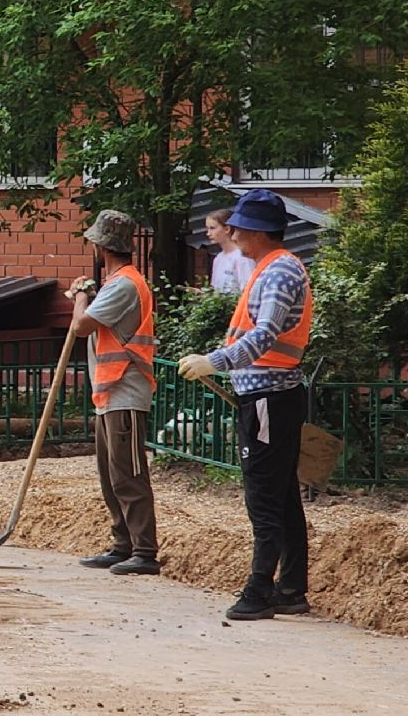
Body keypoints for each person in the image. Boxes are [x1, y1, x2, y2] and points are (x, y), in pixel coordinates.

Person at [179, 189, 313, 621]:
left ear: (257, 230)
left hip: (269, 398)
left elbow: (265, 335)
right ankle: (290, 589)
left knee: (263, 496)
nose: (230, 230)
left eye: (237, 224)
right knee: (281, 493)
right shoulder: (269, 268)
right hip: (268, 395)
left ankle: (260, 591)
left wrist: (214, 363)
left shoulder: (277, 272)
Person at [67, 210, 160, 576]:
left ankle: (144, 551)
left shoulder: (124, 285)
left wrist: (78, 296)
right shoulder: (115, 284)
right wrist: (89, 292)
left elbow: (81, 326)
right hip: (109, 393)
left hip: (126, 392)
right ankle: (123, 544)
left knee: (129, 475)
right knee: (111, 475)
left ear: (102, 246)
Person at [206, 208, 250, 295]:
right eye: (207, 229)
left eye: (212, 228)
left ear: (227, 229)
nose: (208, 233)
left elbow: (247, 291)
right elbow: (216, 291)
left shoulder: (242, 257)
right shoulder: (218, 258)